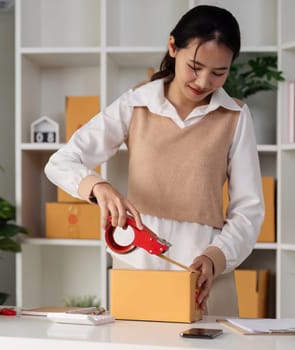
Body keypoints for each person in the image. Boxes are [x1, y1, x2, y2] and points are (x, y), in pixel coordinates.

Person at [44, 5, 264, 316]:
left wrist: (216, 257)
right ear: (173, 47)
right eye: (195, 66)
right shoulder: (136, 104)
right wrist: (99, 186)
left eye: (219, 72)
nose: (203, 81)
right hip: (137, 268)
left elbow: (249, 209)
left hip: (204, 276)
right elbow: (61, 161)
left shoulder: (236, 116)